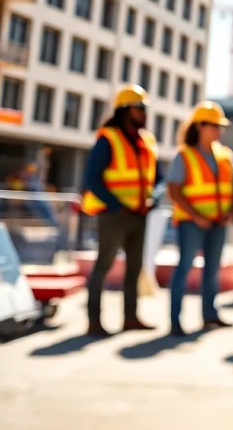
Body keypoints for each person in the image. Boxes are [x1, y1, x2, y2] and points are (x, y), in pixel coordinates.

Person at [81, 85, 164, 336]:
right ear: (125, 110)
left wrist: (154, 199)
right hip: (114, 215)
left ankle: (130, 318)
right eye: (139, 109)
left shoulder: (147, 140)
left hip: (140, 215)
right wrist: (117, 205)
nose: (144, 114)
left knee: (134, 268)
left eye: (145, 109)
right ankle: (94, 321)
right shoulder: (108, 138)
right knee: (103, 267)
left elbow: (158, 179)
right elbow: (92, 178)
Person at [166, 101, 233, 336]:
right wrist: (196, 216)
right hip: (192, 223)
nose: (219, 131)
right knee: (185, 268)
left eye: (221, 126)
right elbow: (174, 190)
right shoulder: (184, 155)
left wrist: (231, 211)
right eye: (214, 126)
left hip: (218, 222)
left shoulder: (225, 155)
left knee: (212, 270)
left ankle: (210, 315)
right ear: (200, 126)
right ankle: (175, 321)